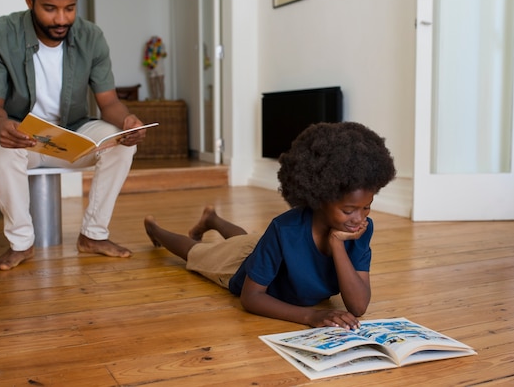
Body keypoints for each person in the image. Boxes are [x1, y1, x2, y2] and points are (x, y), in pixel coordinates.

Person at [0, 0, 147, 271]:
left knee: (121, 144)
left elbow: (109, 103)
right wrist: (2, 126)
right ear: (29, 0)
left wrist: (128, 121)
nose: (62, 19)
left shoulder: (91, 37)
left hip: (72, 136)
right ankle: (21, 244)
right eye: (50, 9)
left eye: (70, 8)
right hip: (22, 140)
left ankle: (93, 235)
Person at [144, 122, 396, 328]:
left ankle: (213, 219)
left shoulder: (360, 229)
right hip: (240, 268)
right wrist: (310, 316)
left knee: (247, 242)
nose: (359, 218)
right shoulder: (285, 229)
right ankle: (155, 228)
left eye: (367, 206)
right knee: (196, 252)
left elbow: (358, 306)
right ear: (319, 199)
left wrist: (336, 244)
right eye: (348, 210)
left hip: (268, 253)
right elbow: (251, 298)